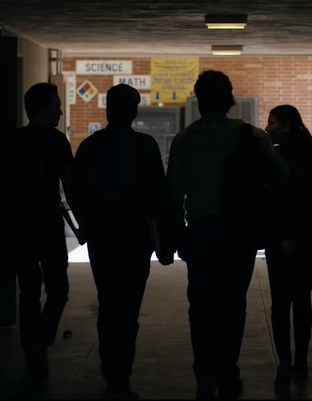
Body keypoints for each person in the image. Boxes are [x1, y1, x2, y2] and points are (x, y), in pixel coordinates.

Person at [167, 70, 288, 400]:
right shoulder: (251, 136)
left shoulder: (185, 139)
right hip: (240, 232)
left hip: (202, 233)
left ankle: (205, 374)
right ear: (230, 98)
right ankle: (228, 371)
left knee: (202, 305)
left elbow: (174, 194)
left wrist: (179, 236)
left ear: (198, 99)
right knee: (233, 303)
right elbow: (282, 177)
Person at [69, 84, 174, 399]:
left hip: (102, 236)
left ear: (107, 110)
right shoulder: (145, 146)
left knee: (108, 300)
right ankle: (121, 369)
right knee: (129, 306)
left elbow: (76, 191)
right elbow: (159, 195)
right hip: (136, 238)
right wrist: (165, 239)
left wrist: (85, 223)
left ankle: (109, 365)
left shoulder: (90, 146)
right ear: (135, 112)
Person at [0, 82, 73, 382]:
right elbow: (70, 184)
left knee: (28, 290)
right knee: (58, 289)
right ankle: (40, 339)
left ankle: (32, 347)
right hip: (47, 224)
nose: (60, 111)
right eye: (56, 105)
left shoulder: (8, 141)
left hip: (17, 226)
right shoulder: (57, 141)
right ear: (41, 108)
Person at [263, 104, 312, 393]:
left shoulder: (275, 158)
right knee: (302, 298)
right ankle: (302, 362)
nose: (267, 127)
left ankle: (284, 363)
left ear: (285, 126)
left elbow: (267, 202)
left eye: (272, 123)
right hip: (310, 239)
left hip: (280, 240)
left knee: (280, 302)